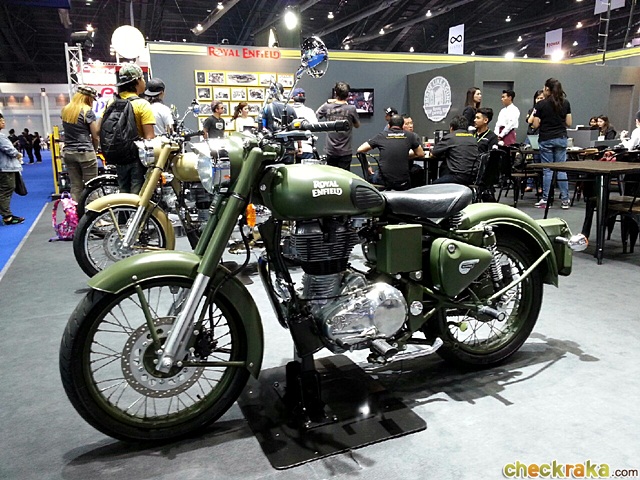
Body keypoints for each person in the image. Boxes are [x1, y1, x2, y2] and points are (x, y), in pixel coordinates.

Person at [110, 63, 156, 194]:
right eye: (142, 78)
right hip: (137, 158)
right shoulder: (142, 104)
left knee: (123, 194)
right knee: (138, 197)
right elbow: (149, 138)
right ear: (137, 81)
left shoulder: (112, 103)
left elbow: (97, 130)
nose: (144, 82)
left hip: (119, 157)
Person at [528, 77, 572, 209]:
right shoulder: (566, 103)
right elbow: (569, 123)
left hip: (546, 138)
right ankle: (565, 199)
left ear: (547, 89)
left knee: (548, 170)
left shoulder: (541, 104)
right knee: (561, 170)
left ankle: (546, 200)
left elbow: (535, 124)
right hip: (561, 138)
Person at [357, 114, 424, 191]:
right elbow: (421, 153)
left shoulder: (381, 136)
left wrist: (367, 165)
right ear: (402, 126)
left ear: (388, 126)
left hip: (384, 181)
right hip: (403, 182)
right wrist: (404, 155)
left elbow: (360, 149)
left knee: (373, 177)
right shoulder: (410, 136)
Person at [61, 85, 100, 202]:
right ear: (88, 98)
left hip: (68, 152)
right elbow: (95, 136)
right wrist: (95, 150)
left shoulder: (65, 110)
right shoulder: (87, 111)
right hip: (85, 153)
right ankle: (93, 212)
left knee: (76, 186)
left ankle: (76, 212)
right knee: (91, 186)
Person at [316, 81, 360, 170]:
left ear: (335, 93)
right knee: (344, 176)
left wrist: (328, 102)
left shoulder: (327, 107)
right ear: (347, 95)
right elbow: (357, 125)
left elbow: (316, 114)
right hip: (345, 151)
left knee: (331, 175)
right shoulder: (351, 109)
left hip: (331, 150)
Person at [431, 115, 479, 186]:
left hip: (457, 177)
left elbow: (434, 152)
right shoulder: (473, 139)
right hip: (473, 177)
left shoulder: (450, 137)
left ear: (451, 128)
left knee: (433, 186)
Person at [0, 113, 25, 225]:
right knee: (6, 190)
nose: (3, 122)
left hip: (5, 167)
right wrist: (18, 154)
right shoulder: (1, 137)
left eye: (3, 120)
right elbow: (10, 150)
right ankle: (7, 217)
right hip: (6, 168)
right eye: (1, 120)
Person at [290, 88, 318, 161]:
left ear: (293, 98)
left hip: (290, 149)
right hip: (307, 148)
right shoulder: (309, 111)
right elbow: (315, 128)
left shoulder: (288, 110)